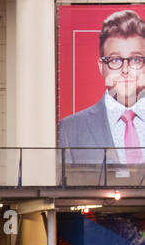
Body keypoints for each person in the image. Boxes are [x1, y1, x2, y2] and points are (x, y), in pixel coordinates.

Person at [59, 9, 145, 164]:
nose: (125, 70)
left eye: (136, 60)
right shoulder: (70, 128)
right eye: (115, 60)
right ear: (101, 67)